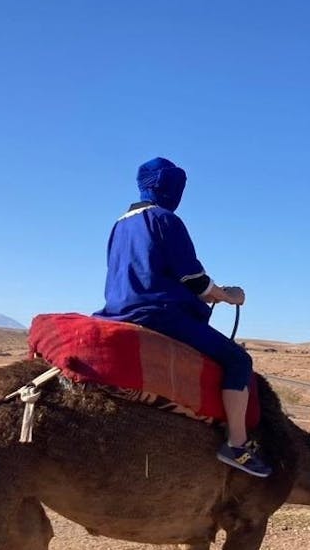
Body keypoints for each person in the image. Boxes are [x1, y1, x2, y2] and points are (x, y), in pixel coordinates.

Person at [95, 157, 271, 478]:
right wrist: (227, 295)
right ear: (169, 187)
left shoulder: (119, 225)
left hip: (117, 313)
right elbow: (195, 280)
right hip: (159, 315)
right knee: (238, 362)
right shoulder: (165, 220)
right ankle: (237, 445)